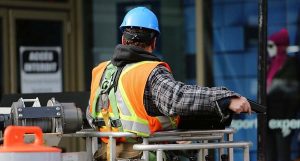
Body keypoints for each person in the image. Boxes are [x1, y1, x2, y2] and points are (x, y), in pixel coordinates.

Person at [86, 6, 251, 161]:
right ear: (154, 42)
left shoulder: (100, 71)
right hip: (144, 155)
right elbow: (178, 98)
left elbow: (92, 116)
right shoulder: (150, 72)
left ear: (123, 39)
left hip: (109, 154)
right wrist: (226, 99)